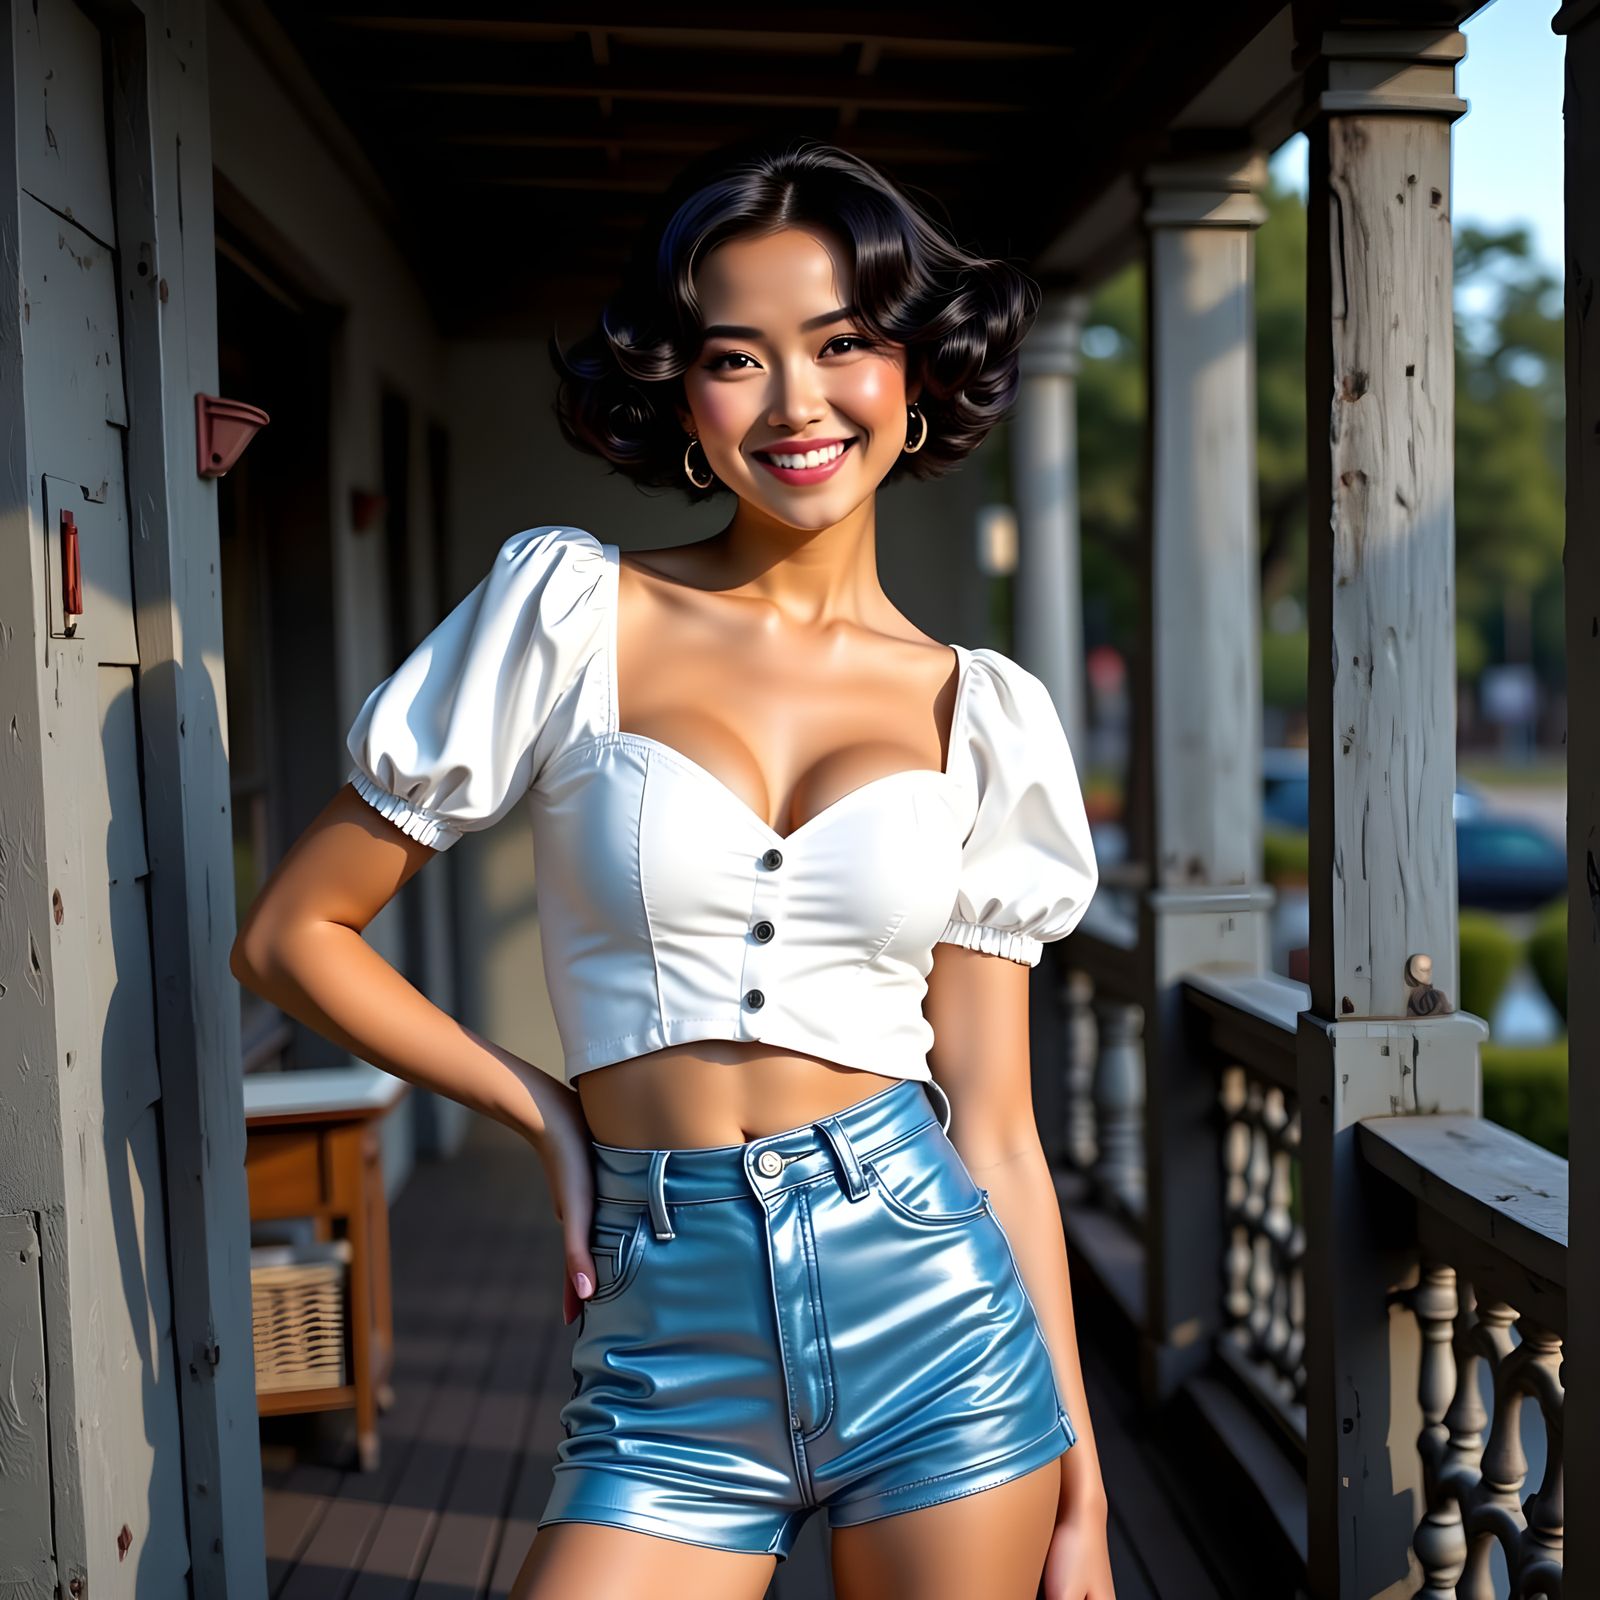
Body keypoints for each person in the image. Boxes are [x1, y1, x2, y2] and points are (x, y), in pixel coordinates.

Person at [232, 136, 1111, 1600]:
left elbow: (1001, 1137)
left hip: (938, 1316)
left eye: (841, 343)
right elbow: (293, 934)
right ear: (682, 396)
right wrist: (541, 1112)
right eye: (736, 356)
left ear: (913, 371)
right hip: (666, 1334)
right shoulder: (573, 613)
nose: (797, 402)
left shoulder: (986, 712)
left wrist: (1084, 1496)